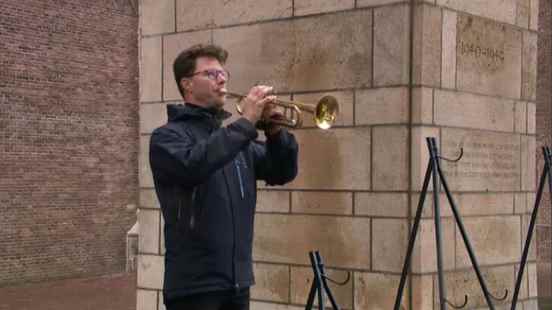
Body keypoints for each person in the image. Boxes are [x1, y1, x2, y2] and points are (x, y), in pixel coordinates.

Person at [149, 44, 299, 310]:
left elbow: (282, 172)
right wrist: (247, 122)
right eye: (211, 74)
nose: (222, 79)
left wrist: (276, 133)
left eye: (223, 73)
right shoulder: (167, 137)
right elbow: (194, 165)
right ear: (188, 85)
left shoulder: (235, 140)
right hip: (194, 288)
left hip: (237, 284)